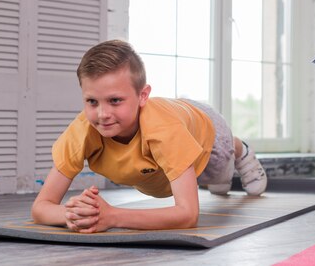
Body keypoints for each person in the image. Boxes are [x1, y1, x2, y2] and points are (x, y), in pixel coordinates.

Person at [31, 39, 267, 233]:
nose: (103, 114)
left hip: (209, 134)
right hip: (162, 163)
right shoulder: (81, 132)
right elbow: (41, 207)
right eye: (92, 101)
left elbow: (188, 215)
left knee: (216, 175)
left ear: (143, 96)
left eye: (115, 100)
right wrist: (76, 214)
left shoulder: (164, 130)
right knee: (215, 184)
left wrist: (112, 216)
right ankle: (220, 178)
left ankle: (240, 148)